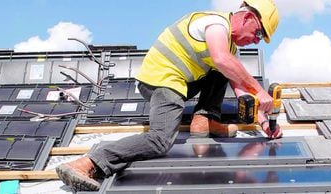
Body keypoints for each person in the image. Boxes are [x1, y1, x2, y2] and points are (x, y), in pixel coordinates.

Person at [56, 0, 282, 191]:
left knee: (230, 69)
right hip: (160, 81)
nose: (256, 40)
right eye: (259, 33)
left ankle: (205, 119)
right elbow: (222, 59)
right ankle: (88, 161)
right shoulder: (215, 24)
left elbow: (240, 86)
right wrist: (261, 90)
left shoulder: (230, 47)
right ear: (247, 18)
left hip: (181, 80)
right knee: (159, 141)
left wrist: (263, 121)